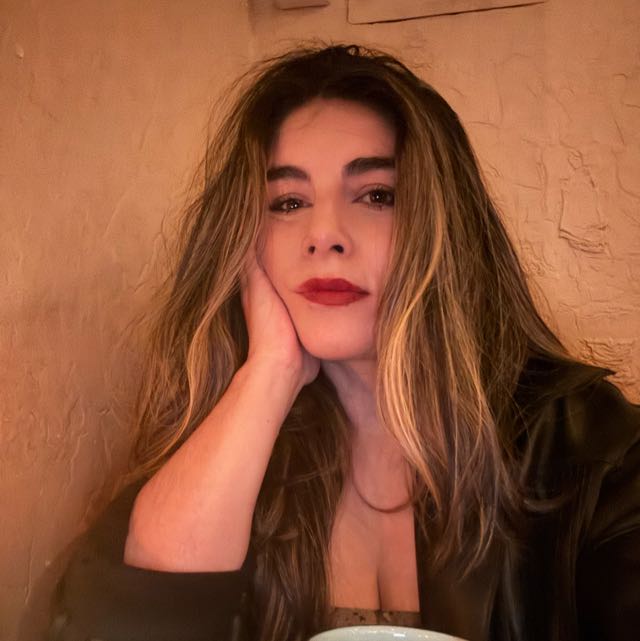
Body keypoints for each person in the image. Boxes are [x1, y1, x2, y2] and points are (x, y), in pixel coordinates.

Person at [48, 44, 640, 641]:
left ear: (443, 223)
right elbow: (126, 622)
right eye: (288, 203)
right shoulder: (232, 435)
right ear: (244, 240)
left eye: (377, 195)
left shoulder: (592, 451)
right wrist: (270, 372)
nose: (324, 234)